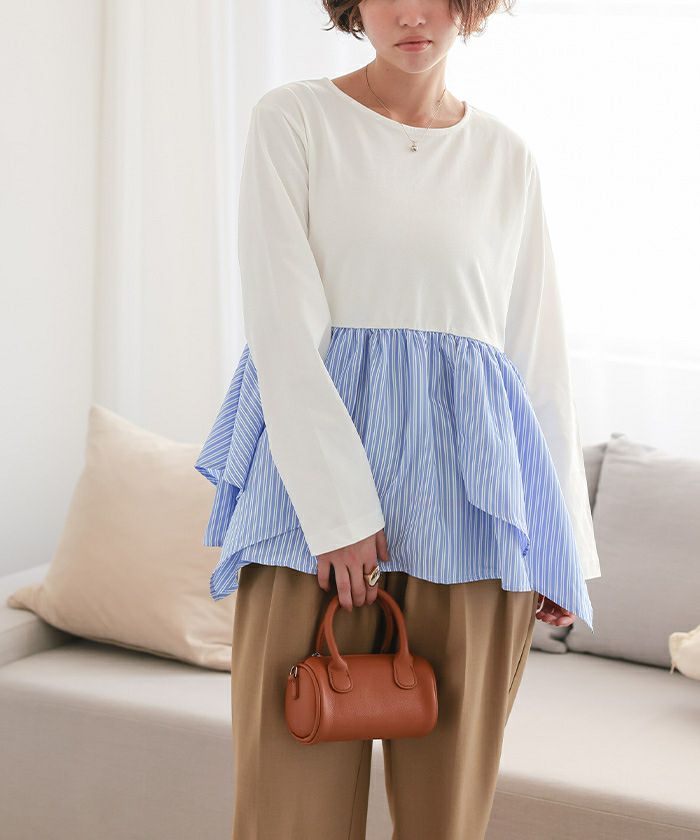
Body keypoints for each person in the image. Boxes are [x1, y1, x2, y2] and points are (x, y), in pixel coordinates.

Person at [195, 1, 601, 837]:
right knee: (287, 815)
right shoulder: (295, 119)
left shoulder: (506, 157)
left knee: (446, 819)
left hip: (473, 512)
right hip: (308, 517)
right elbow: (280, 326)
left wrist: (560, 546)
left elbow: (535, 356)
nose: (412, 12)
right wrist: (338, 512)